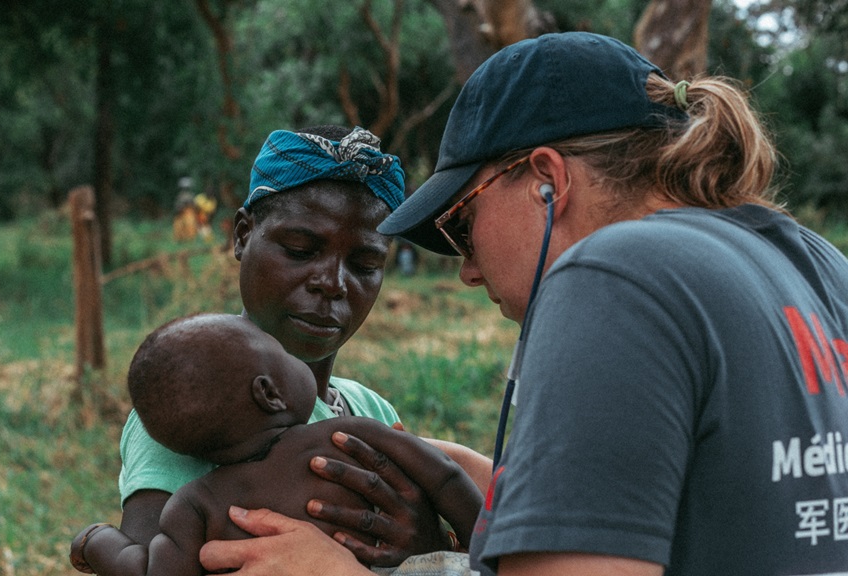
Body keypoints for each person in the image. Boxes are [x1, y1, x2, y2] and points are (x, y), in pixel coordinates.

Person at [196, 32, 848, 576]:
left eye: (462, 225)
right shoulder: (816, 264)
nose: (468, 272)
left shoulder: (614, 275)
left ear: (546, 180)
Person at [76, 125, 493, 570]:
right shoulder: (192, 404)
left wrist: (428, 542)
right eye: (299, 250)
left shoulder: (370, 409)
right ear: (241, 235)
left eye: (365, 264)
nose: (332, 283)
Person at [70, 313, 482, 576]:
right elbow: (446, 476)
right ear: (269, 394)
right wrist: (486, 548)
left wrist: (96, 540)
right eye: (284, 353)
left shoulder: (197, 505)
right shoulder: (351, 434)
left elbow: (149, 571)